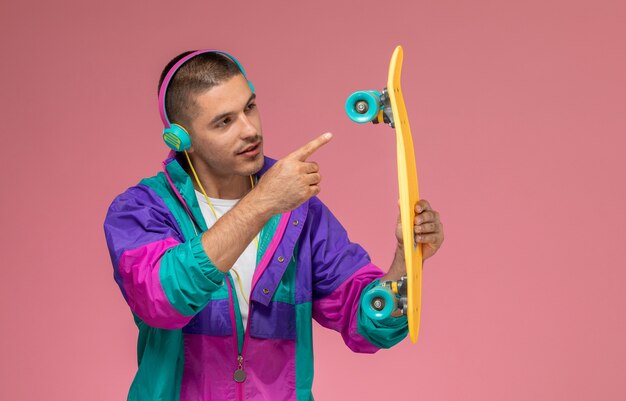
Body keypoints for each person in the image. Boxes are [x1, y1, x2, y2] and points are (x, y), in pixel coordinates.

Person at [103, 50, 444, 401]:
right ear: (182, 139)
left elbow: (365, 324)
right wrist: (263, 202)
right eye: (224, 122)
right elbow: (163, 299)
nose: (249, 130)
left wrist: (406, 259)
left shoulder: (298, 211)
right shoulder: (140, 211)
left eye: (249, 107)